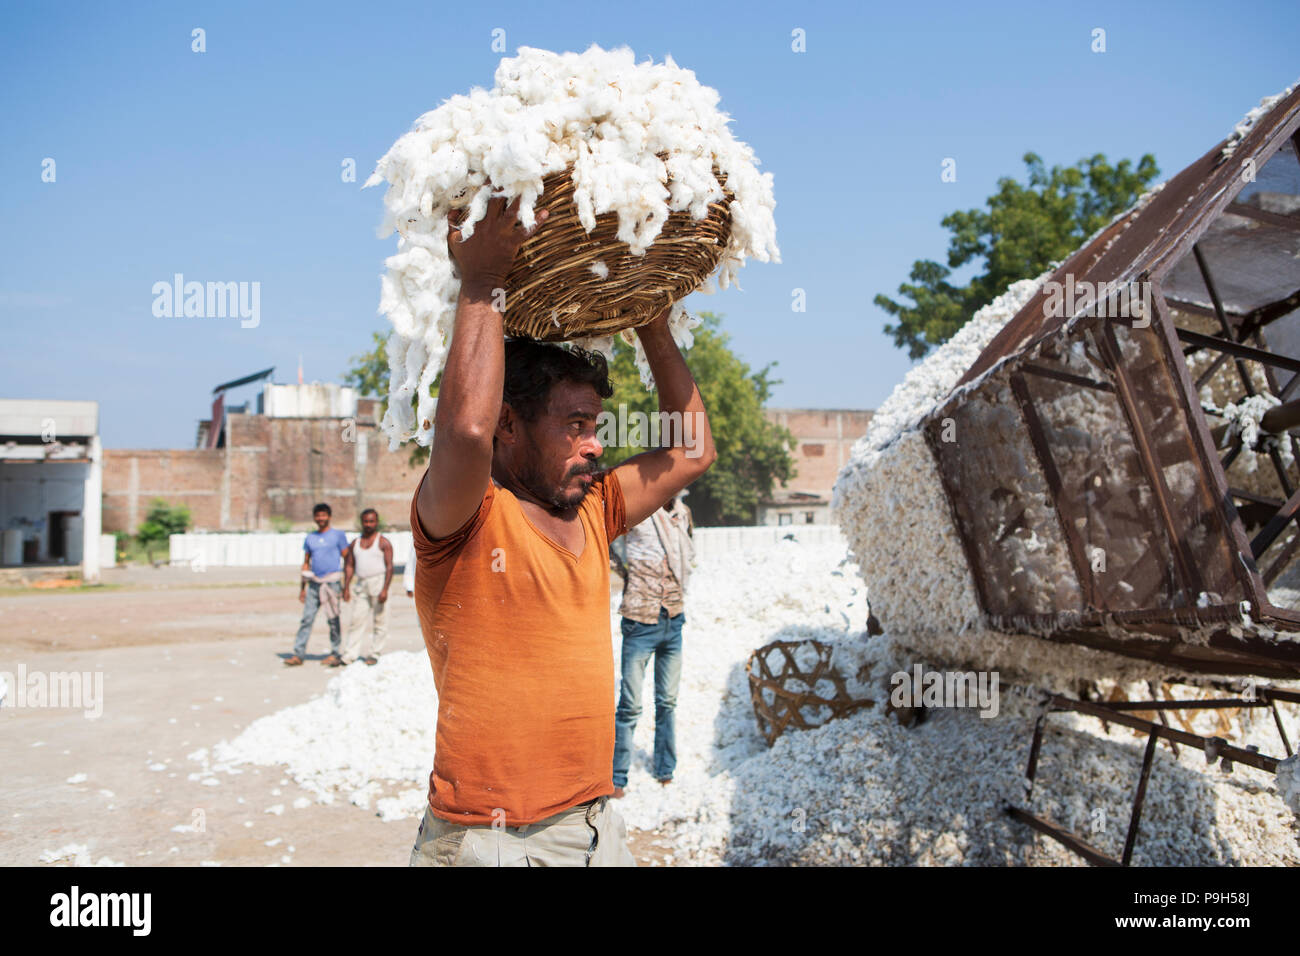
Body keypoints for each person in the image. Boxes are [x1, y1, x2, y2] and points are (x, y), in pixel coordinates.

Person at [407, 196, 717, 867]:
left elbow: (692, 451)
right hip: (490, 841)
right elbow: (463, 429)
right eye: (575, 425)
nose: (593, 444)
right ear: (509, 428)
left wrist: (652, 321)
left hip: (595, 828)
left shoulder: (595, 508)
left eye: (595, 426)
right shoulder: (465, 517)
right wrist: (482, 281)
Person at [611, 489, 694, 797]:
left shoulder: (682, 515)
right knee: (630, 705)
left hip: (674, 619)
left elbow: (688, 554)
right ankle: (618, 777)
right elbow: (606, 539)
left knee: (667, 702)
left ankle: (664, 769)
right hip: (639, 620)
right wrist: (625, 574)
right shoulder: (638, 513)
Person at [286, 503, 349, 667]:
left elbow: (347, 559)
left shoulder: (338, 536)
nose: (321, 518)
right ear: (314, 517)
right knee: (306, 619)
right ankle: (298, 654)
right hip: (314, 584)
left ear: (329, 516)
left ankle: (335, 653)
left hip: (332, 584)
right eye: (318, 515)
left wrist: (346, 585)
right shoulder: (310, 538)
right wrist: (302, 588)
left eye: (323, 515)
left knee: (333, 619)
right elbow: (306, 563)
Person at [341, 508, 393, 666]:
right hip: (361, 583)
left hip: (379, 582)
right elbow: (349, 566)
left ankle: (375, 653)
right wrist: (346, 587)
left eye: (372, 521)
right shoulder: (355, 543)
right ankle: (350, 655)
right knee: (356, 620)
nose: (368, 524)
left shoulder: (383, 542)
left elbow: (389, 567)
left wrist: (385, 589)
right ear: (361, 522)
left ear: (376, 522)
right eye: (366, 521)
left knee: (380, 621)